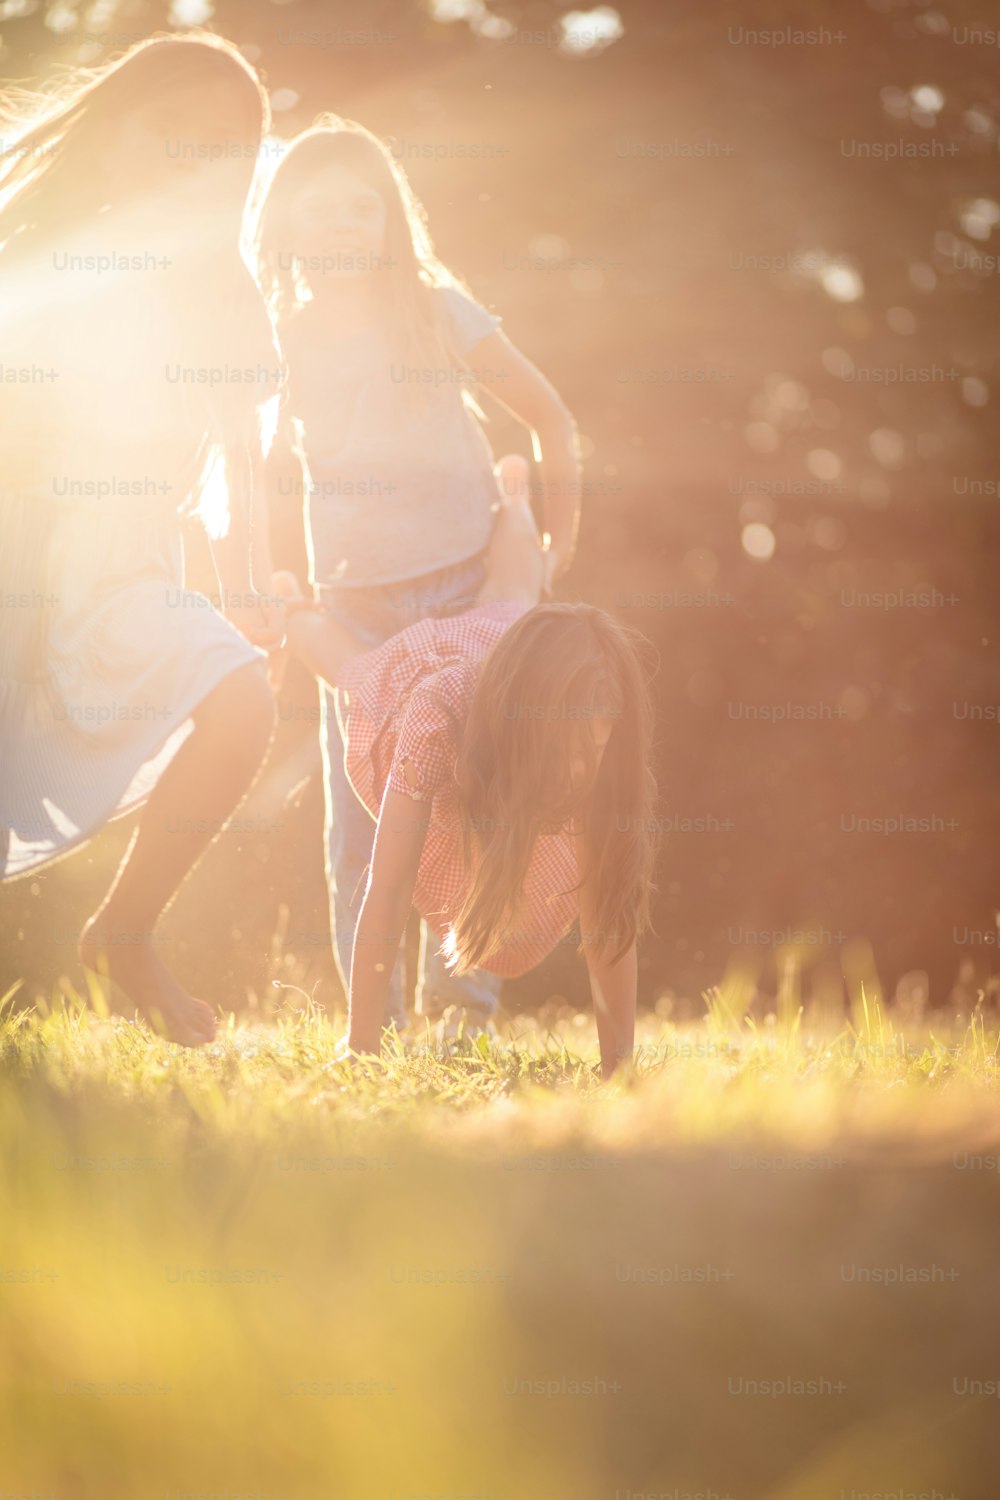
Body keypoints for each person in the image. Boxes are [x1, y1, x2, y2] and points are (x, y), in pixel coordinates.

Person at [253, 117, 582, 1038]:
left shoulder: (437, 310)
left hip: (465, 593)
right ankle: (378, 1020)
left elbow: (551, 418)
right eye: (320, 211)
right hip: (353, 613)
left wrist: (559, 547)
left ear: (392, 221)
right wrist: (265, 586)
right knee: (360, 826)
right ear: (283, 230)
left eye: (363, 208)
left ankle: (465, 1009)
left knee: (474, 804)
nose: (344, 226)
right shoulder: (280, 338)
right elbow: (253, 471)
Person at [0, 35, 284, 1045]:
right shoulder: (42, 255)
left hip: (125, 570)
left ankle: (124, 929)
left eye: (225, 151)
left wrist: (247, 582)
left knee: (243, 699)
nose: (199, 166)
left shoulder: (222, 293)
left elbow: (242, 451)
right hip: (18, 556)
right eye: (178, 140)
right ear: (116, 136)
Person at [271, 490, 658, 1078]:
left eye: (599, 748)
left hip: (507, 633)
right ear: (534, 726)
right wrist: (362, 1048)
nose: (586, 768)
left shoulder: (586, 728)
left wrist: (618, 1066)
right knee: (348, 669)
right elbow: (389, 886)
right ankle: (292, 605)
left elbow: (609, 916)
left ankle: (511, 490)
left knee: (513, 595)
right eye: (575, 749)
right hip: (422, 679)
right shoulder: (433, 716)